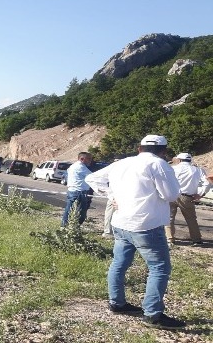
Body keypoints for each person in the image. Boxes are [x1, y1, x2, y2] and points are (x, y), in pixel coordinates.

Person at [85, 134, 185, 330]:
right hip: (146, 225)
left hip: (121, 222)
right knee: (159, 268)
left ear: (139, 149)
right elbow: (171, 195)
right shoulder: (159, 164)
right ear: (164, 151)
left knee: (119, 264)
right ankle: (153, 314)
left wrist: (110, 195)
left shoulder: (123, 163)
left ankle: (117, 303)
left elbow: (91, 177)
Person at [165, 152, 210, 247]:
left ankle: (170, 239)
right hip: (187, 197)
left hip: (172, 195)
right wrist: (201, 194)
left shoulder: (172, 168)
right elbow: (207, 183)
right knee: (191, 219)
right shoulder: (198, 170)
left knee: (169, 218)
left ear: (179, 160)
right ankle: (196, 240)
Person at [61, 152, 93, 227]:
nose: (90, 161)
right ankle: (71, 227)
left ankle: (66, 226)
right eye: (89, 159)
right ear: (82, 159)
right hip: (79, 192)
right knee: (81, 213)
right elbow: (93, 176)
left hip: (74, 191)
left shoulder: (73, 166)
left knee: (70, 210)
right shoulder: (80, 167)